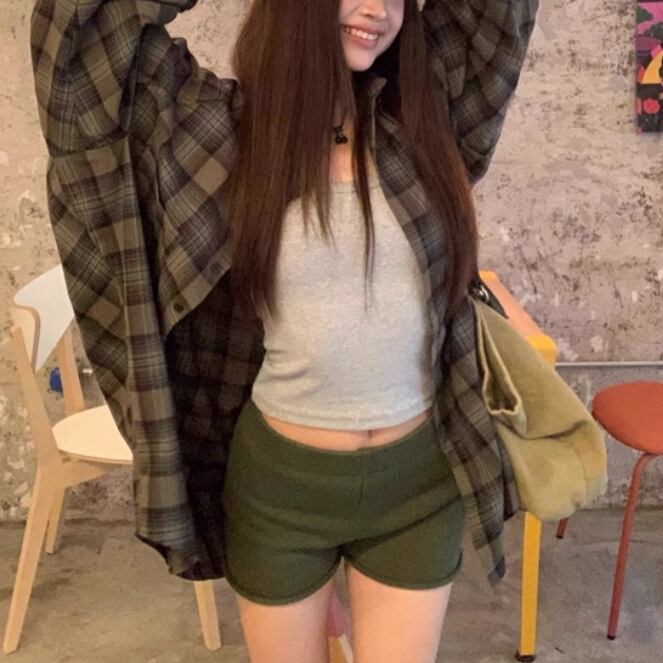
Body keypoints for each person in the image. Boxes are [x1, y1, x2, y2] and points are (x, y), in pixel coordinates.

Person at [29, 0, 539, 661]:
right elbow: (76, 35)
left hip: (417, 487)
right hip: (279, 496)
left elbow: (499, 14)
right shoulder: (219, 132)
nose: (376, 8)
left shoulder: (429, 116)